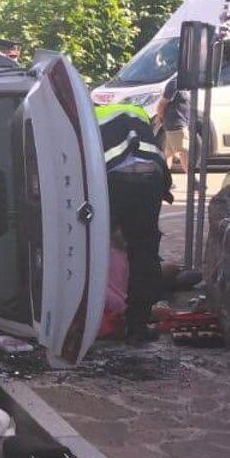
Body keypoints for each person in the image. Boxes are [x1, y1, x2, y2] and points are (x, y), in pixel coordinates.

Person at [95, 99, 172, 341]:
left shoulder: (91, 118)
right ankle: (138, 326)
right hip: (151, 177)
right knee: (144, 250)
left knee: (97, 245)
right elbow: (157, 152)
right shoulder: (138, 113)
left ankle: (93, 317)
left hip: (114, 178)